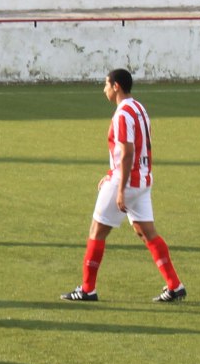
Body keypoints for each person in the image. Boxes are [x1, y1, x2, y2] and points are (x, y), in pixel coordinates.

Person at [62, 69, 187, 303]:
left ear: (116, 86)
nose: (104, 89)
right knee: (146, 232)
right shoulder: (139, 108)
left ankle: (87, 289)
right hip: (143, 179)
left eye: (106, 84)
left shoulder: (121, 115)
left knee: (97, 231)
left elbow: (128, 152)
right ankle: (175, 285)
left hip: (126, 181)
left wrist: (119, 188)